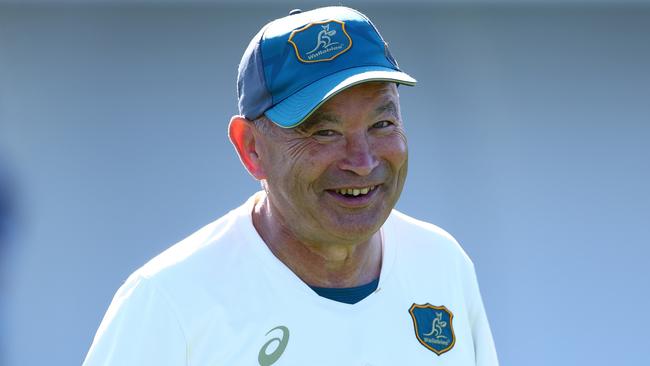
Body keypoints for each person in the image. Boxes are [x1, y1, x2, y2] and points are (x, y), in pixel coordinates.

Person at [83, 6, 498, 366]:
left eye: (382, 124)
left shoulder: (442, 264)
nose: (363, 161)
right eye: (324, 132)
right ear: (251, 148)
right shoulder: (168, 303)